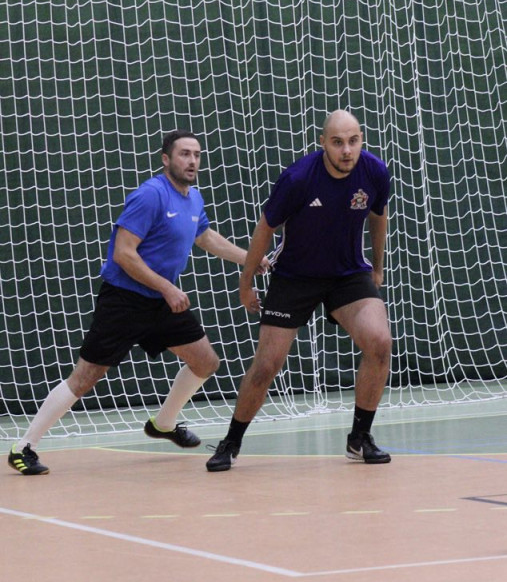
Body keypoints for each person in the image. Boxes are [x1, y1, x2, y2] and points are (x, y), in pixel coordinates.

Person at [8, 130, 269, 475]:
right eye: (184, 154)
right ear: (166, 159)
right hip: (125, 301)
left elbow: (206, 237)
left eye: (196, 155)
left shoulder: (193, 198)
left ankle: (163, 423)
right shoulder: (150, 196)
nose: (192, 161)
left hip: (160, 302)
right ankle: (23, 447)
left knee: (205, 362)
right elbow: (124, 254)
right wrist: (168, 289)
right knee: (86, 376)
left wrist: (252, 259)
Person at [206, 110, 392, 472]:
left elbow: (378, 216)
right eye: (337, 142)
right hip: (294, 277)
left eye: (353, 140)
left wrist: (378, 265)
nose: (346, 150)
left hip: (347, 274)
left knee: (380, 342)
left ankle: (359, 439)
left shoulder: (375, 172)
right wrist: (246, 285)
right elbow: (265, 230)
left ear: (361, 139)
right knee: (266, 366)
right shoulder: (298, 178)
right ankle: (231, 442)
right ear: (323, 142)